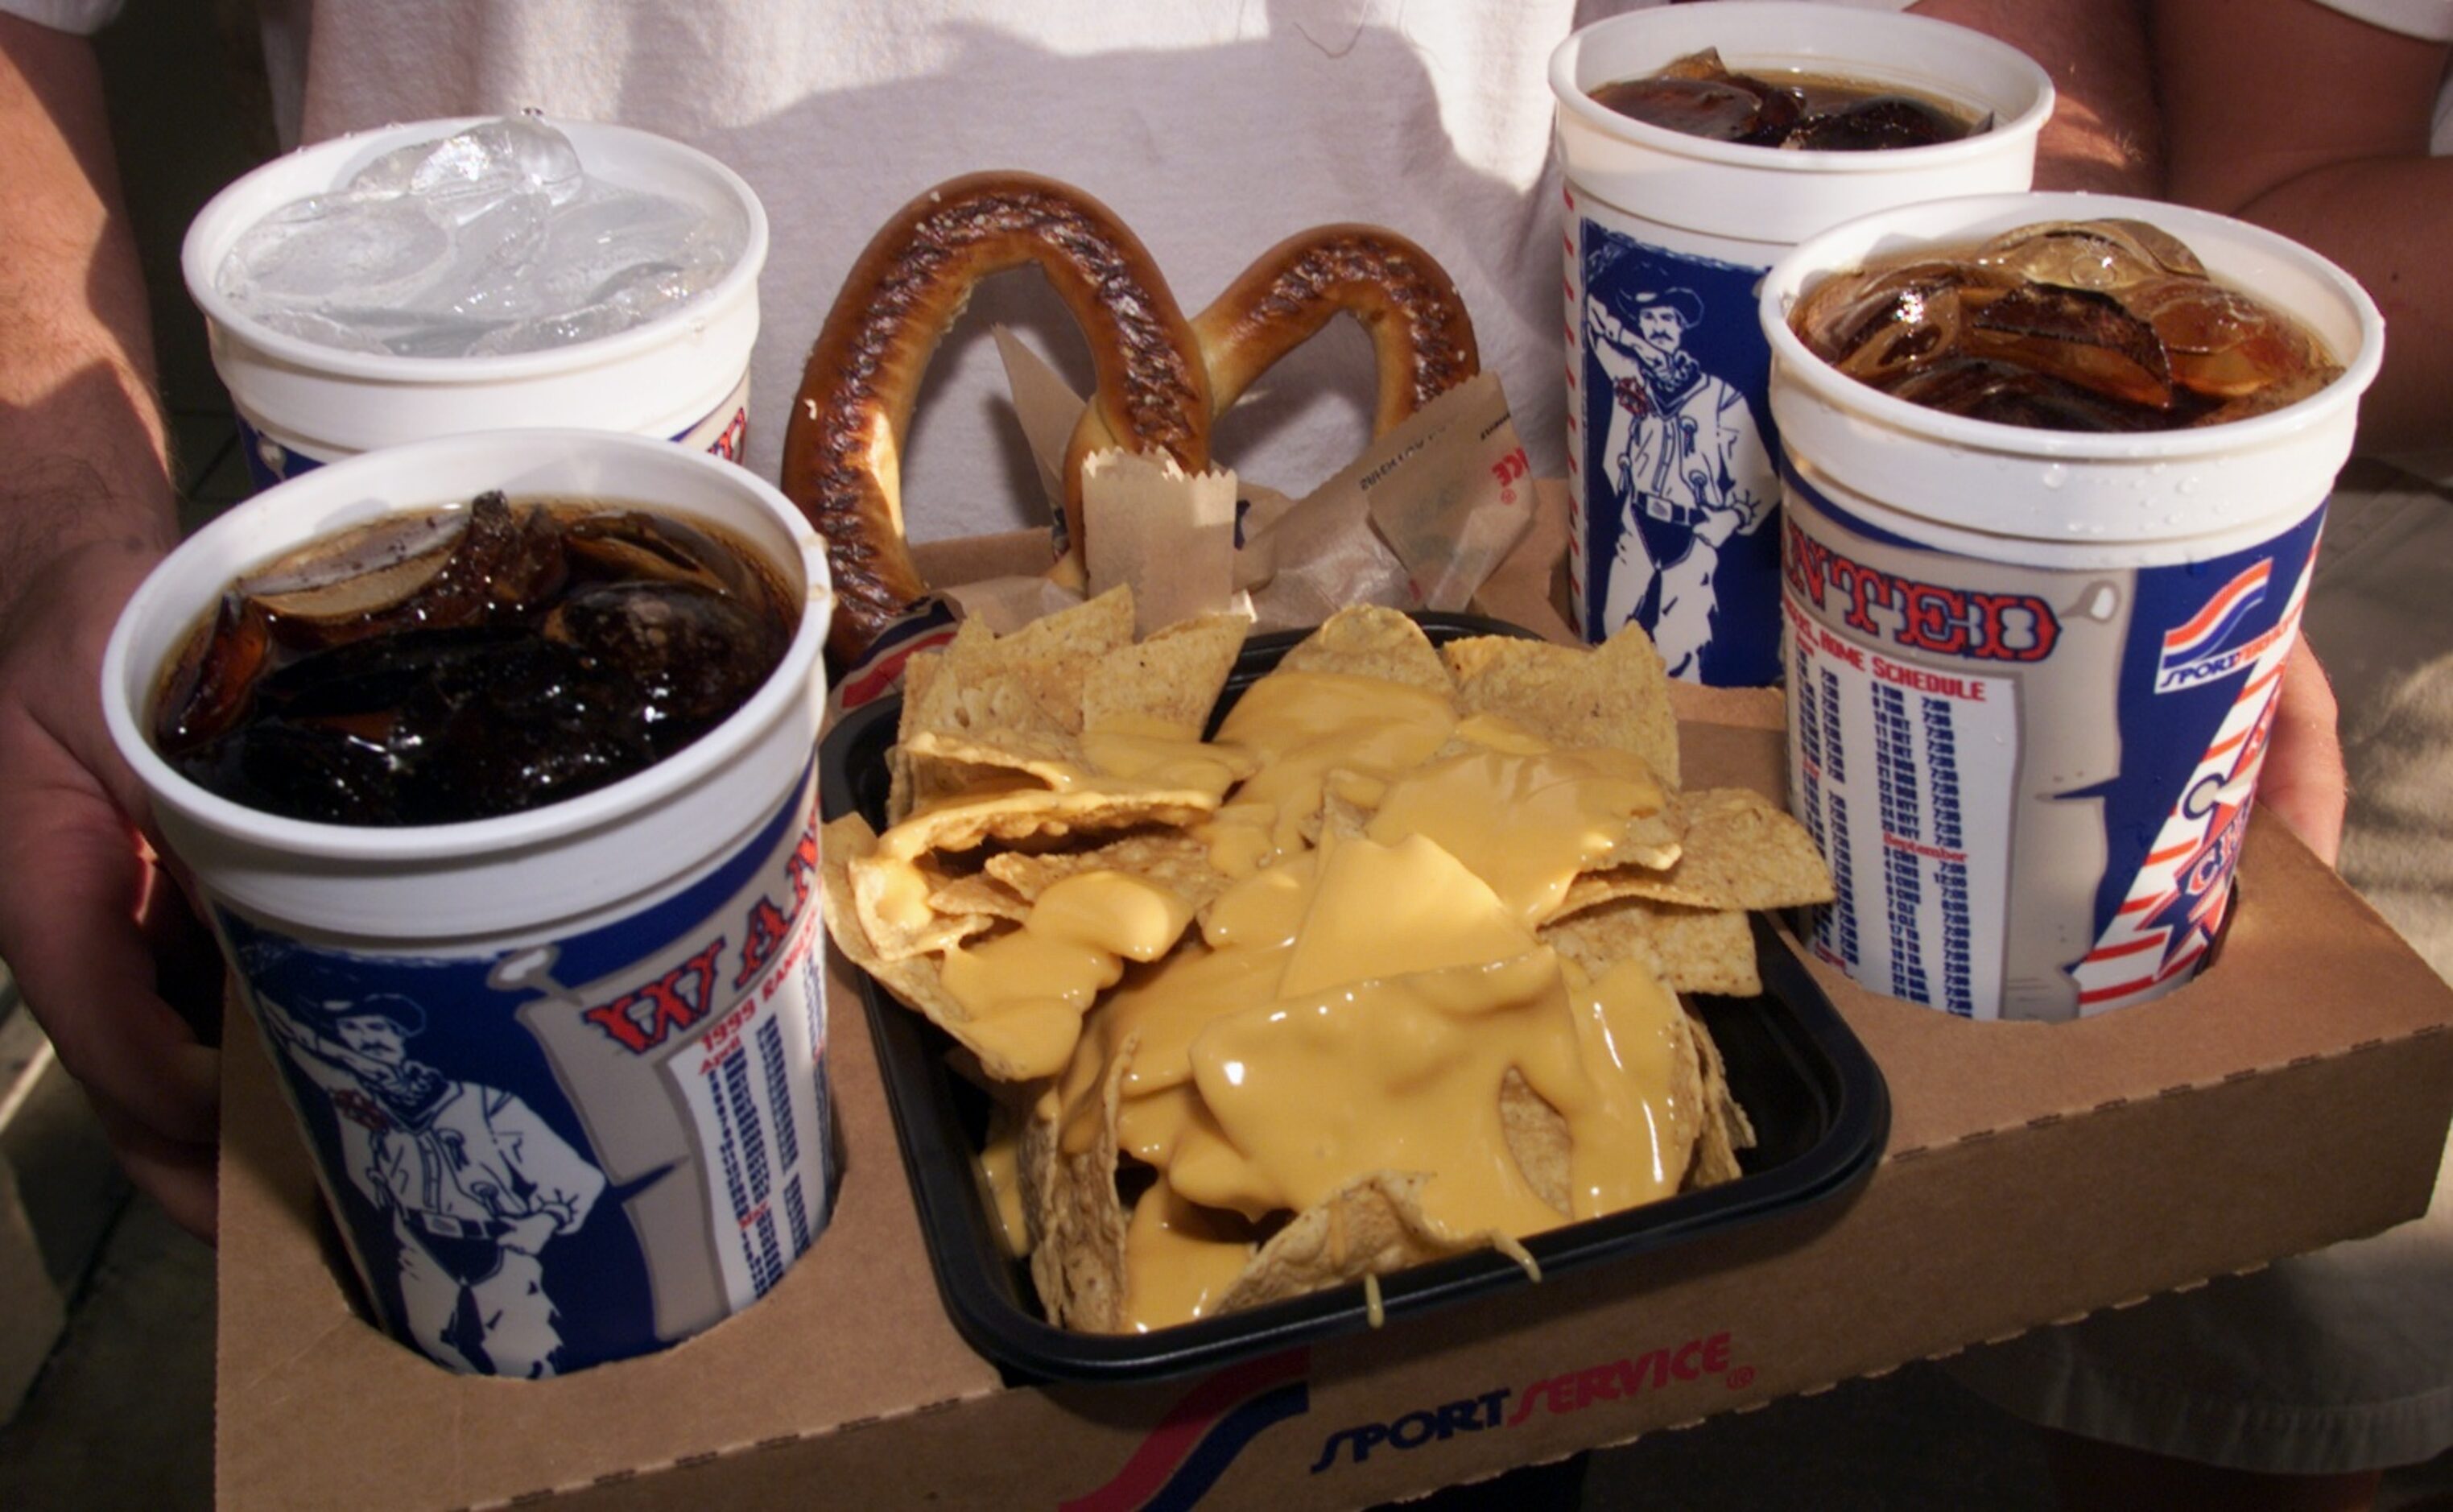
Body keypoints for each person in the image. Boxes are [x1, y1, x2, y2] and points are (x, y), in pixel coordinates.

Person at [255, 989, 607, 1378]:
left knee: (530, 1353)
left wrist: (545, 1219)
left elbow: (575, 1176)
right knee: (430, 1347)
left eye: (377, 1027)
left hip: (496, 1244)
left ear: (400, 1037)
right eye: (352, 1030)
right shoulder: (362, 1108)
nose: (367, 1038)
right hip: (419, 1240)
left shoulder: (483, 1104)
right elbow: (302, 1050)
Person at [1586, 283, 1776, 680]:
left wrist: (1731, 517)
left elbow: (1763, 484)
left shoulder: (1721, 398)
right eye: (1650, 318)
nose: (1658, 327)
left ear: (1682, 328)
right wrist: (1628, 340)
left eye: (1668, 319)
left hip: (1693, 531)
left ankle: (1689, 733)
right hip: (1636, 521)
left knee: (1684, 646)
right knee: (1612, 627)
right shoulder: (1631, 378)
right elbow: (1595, 323)